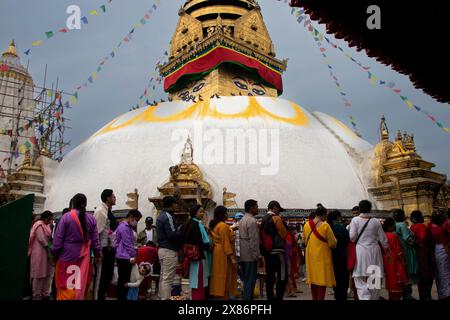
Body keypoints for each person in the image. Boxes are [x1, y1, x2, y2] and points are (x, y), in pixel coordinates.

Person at [51, 194, 101, 300]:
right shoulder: (91, 219)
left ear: (73, 203)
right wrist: (97, 255)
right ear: (86, 204)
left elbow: (57, 240)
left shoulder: (66, 217)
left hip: (66, 257)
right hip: (84, 259)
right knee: (79, 285)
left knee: (66, 285)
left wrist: (54, 255)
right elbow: (96, 241)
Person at [349, 200, 388, 300]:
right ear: (370, 208)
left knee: (359, 279)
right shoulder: (375, 221)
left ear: (360, 208)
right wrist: (387, 251)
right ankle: (373, 298)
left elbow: (352, 237)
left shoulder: (355, 220)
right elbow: (383, 240)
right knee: (374, 279)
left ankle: (365, 297)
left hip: (361, 252)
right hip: (374, 252)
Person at [302, 205, 337, 300]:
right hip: (322, 256)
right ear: (324, 214)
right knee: (321, 281)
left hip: (310, 257)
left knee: (313, 281)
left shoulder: (306, 225)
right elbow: (333, 243)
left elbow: (303, 241)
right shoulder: (325, 225)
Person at [182, 205, 211, 300]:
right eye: (200, 212)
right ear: (195, 213)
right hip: (198, 255)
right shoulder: (196, 224)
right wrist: (208, 246)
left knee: (196, 278)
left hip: (193, 255)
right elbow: (199, 241)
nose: (202, 214)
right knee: (199, 279)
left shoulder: (190, 223)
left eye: (203, 212)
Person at [93, 189, 118, 300]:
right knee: (101, 277)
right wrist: (98, 252)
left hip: (109, 249)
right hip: (103, 249)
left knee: (107, 275)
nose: (115, 197)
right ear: (107, 198)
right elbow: (96, 233)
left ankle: (102, 296)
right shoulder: (100, 212)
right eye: (113, 196)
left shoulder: (108, 211)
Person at [261, 201, 288, 300]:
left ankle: (270, 297)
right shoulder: (276, 218)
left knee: (270, 277)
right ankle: (279, 297)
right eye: (278, 210)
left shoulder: (262, 219)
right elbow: (284, 235)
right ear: (274, 207)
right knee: (282, 277)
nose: (279, 212)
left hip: (267, 253)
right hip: (278, 252)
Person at [156, 196, 182, 300]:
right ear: (172, 204)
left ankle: (161, 297)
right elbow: (172, 235)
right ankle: (165, 298)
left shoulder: (160, 216)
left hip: (162, 249)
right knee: (167, 279)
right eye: (175, 204)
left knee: (163, 277)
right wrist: (180, 231)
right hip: (169, 250)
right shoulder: (168, 217)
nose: (176, 206)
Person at [209, 206, 237, 299]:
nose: (227, 214)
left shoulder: (216, 225)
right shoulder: (223, 226)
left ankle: (217, 294)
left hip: (217, 252)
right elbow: (226, 242)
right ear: (222, 214)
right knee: (224, 275)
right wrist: (232, 258)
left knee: (218, 275)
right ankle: (223, 296)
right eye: (226, 213)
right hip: (224, 253)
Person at [115, 209, 142, 301]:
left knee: (124, 280)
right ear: (131, 217)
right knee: (123, 281)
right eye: (136, 220)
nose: (136, 222)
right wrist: (134, 255)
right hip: (124, 257)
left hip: (123, 256)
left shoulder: (127, 227)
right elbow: (128, 244)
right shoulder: (124, 227)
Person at [393, 209, 419, 300]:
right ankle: (407, 295)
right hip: (407, 251)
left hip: (399, 252)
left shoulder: (394, 225)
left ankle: (405, 294)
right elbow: (408, 238)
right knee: (408, 274)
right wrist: (416, 243)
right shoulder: (402, 225)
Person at [410, 210, 435, 300]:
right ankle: (427, 297)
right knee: (427, 277)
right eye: (422, 216)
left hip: (416, 255)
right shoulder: (422, 226)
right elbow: (423, 238)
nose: (423, 218)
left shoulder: (412, 227)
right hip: (424, 255)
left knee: (421, 279)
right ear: (419, 218)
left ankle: (423, 296)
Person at [28, 211, 54, 300]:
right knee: (38, 273)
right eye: (50, 219)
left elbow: (49, 238)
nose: (51, 221)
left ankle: (45, 293)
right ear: (46, 218)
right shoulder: (39, 224)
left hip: (46, 253)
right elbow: (42, 239)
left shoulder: (46, 225)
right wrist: (49, 250)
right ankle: (36, 294)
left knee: (47, 273)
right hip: (39, 252)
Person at [382, 218, 409, 300]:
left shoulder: (383, 236)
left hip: (386, 260)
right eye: (393, 225)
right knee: (398, 282)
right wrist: (404, 262)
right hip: (395, 261)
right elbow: (398, 251)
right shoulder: (393, 236)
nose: (395, 226)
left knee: (390, 279)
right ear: (390, 227)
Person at [238, 200, 260, 300]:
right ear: (251, 208)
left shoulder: (242, 220)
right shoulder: (251, 221)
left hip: (243, 254)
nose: (257, 208)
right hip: (250, 255)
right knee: (250, 281)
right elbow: (254, 240)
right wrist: (256, 255)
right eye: (256, 206)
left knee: (246, 280)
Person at [327, 210, 350, 301]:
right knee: (343, 278)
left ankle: (336, 294)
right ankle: (342, 295)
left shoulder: (328, 227)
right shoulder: (341, 227)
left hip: (332, 255)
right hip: (342, 255)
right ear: (338, 217)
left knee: (335, 276)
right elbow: (347, 240)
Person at [430, 211, 450, 300]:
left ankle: (441, 293)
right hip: (443, 250)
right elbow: (445, 244)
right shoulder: (441, 230)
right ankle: (446, 293)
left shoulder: (431, 227)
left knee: (439, 273)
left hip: (436, 249)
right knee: (445, 273)